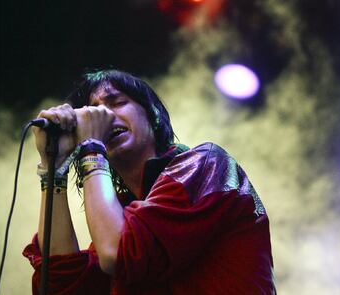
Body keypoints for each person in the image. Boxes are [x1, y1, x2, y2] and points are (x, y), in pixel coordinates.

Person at [23, 69, 276, 294]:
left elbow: (118, 253)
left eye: (116, 102)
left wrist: (91, 147)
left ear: (153, 114)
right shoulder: (119, 217)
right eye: (94, 110)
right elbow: (59, 283)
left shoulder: (206, 165)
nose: (103, 116)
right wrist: (53, 167)